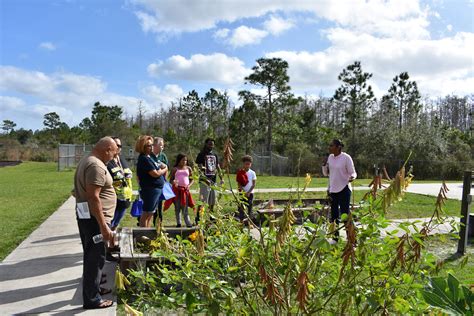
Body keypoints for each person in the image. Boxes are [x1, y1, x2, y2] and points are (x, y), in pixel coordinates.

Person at [74, 137, 117, 309]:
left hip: (87, 216)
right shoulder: (96, 166)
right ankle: (92, 299)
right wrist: (103, 226)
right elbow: (93, 197)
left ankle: (94, 289)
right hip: (94, 220)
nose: (114, 156)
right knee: (95, 257)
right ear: (107, 149)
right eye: (114, 152)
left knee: (92, 255)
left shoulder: (87, 160)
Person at [321, 139, 357, 241]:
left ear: (338, 147)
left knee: (345, 214)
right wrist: (324, 164)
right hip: (333, 190)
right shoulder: (330, 158)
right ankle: (335, 238)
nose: (329, 147)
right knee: (334, 215)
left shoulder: (346, 158)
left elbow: (353, 172)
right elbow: (326, 174)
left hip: (344, 189)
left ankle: (352, 239)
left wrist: (352, 177)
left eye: (331, 145)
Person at [135, 135, 168, 227]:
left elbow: (158, 168)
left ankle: (147, 231)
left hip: (155, 189)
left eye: (152, 145)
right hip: (150, 189)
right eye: (149, 145)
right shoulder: (144, 159)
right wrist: (165, 170)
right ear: (143, 147)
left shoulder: (149, 157)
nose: (151, 147)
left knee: (151, 213)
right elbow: (155, 173)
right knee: (146, 212)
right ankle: (142, 233)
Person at [107, 137, 133, 230]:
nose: (118, 147)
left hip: (125, 197)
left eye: (120, 145)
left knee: (116, 223)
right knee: (110, 223)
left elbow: (127, 172)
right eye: (116, 145)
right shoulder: (107, 161)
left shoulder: (121, 159)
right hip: (114, 199)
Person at [195, 138, 223, 223]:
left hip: (213, 181)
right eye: (210, 144)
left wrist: (221, 177)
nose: (211, 146)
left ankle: (211, 216)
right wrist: (204, 177)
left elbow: (217, 166)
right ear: (206, 144)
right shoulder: (201, 154)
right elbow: (199, 167)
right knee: (203, 200)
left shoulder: (214, 155)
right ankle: (199, 217)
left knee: (212, 200)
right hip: (204, 181)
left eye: (212, 144)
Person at [169, 153, 195, 227]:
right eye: (183, 160)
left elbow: (192, 179)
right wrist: (174, 182)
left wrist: (189, 186)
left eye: (186, 160)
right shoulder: (175, 169)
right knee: (177, 207)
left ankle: (188, 222)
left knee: (185, 206)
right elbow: (171, 180)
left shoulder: (188, 168)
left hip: (185, 190)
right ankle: (179, 222)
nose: (184, 162)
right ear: (179, 160)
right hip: (177, 190)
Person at [151, 137, 168, 226]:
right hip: (150, 186)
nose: (162, 148)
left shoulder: (163, 156)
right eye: (161, 145)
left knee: (159, 206)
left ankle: (159, 224)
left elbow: (166, 168)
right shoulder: (149, 156)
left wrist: (165, 180)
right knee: (150, 208)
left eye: (163, 146)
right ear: (155, 145)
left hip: (160, 185)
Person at [236, 155, 257, 222]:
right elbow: (239, 184)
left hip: (250, 194)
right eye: (246, 164)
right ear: (243, 164)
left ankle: (250, 223)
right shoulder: (240, 173)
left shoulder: (252, 173)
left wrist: (248, 192)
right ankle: (241, 223)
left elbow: (253, 184)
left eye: (249, 164)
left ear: (251, 164)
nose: (247, 165)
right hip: (242, 194)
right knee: (241, 209)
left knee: (250, 209)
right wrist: (243, 192)